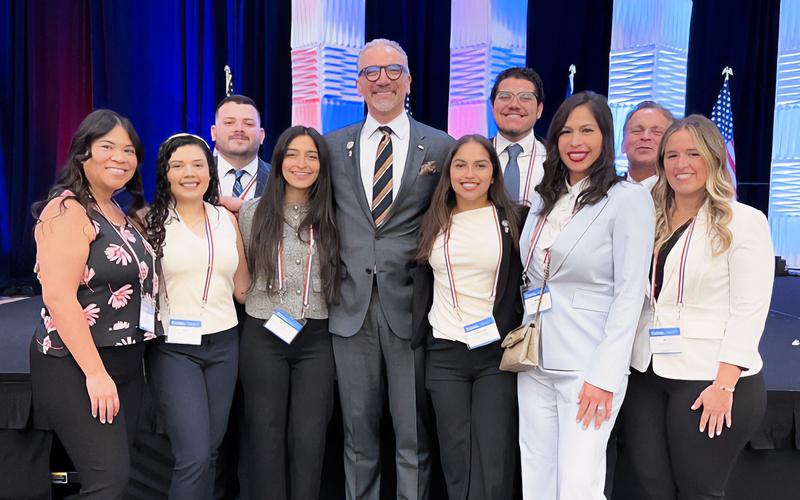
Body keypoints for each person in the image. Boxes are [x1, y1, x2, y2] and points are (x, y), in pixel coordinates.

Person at [324, 38, 455, 500]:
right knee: (357, 434)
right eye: (371, 72)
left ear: (409, 79)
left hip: (411, 308)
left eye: (393, 70)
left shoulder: (441, 146)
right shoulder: (330, 146)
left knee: (412, 433)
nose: (382, 79)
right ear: (358, 83)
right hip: (349, 308)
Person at [620, 114, 773, 500]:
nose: (681, 164)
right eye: (671, 155)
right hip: (647, 371)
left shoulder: (744, 221)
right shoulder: (646, 216)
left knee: (697, 491)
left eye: (692, 153)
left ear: (713, 159)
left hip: (709, 377)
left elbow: (750, 308)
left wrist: (724, 384)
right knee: (650, 487)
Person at [517, 91, 654, 500]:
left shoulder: (628, 198)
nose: (576, 142)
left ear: (605, 138)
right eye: (567, 132)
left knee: (579, 483)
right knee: (537, 475)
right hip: (534, 356)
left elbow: (631, 294)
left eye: (587, 131)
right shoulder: (546, 199)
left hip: (587, 364)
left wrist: (605, 375)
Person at [29, 109, 156, 499]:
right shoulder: (67, 210)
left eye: (129, 150)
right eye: (107, 147)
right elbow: (59, 297)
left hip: (126, 362)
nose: (120, 157)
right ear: (83, 153)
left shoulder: (120, 212)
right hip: (76, 363)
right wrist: (96, 374)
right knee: (108, 479)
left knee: (117, 475)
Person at [411, 135, 524, 500]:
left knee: (492, 456)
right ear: (449, 172)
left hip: (495, 353)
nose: (469, 173)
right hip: (444, 351)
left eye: (480, 165)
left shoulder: (513, 218)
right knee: (455, 457)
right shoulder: (433, 219)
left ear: (494, 174)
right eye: (460, 165)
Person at [236, 126, 339, 500]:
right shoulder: (251, 213)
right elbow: (242, 270)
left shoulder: (334, 215)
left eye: (311, 156)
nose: (302, 163)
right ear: (278, 161)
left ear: (322, 165)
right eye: (293, 154)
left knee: (310, 437)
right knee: (265, 434)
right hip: (264, 333)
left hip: (317, 337)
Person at [143, 133, 248, 500]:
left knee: (211, 455)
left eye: (198, 164)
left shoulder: (225, 219)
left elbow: (243, 288)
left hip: (225, 344)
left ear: (210, 171)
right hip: (174, 348)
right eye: (178, 165)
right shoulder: (149, 222)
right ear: (165, 173)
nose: (189, 173)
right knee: (194, 456)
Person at [490, 67, 546, 205]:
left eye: (525, 97)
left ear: (539, 109)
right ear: (492, 106)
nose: (514, 104)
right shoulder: (474, 155)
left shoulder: (555, 159)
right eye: (504, 97)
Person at [211, 94, 271, 216]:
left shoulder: (279, 178)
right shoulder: (196, 176)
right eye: (229, 122)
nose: (239, 129)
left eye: (248, 124)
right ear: (214, 133)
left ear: (262, 136)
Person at [621, 100, 674, 190]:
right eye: (636, 131)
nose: (645, 137)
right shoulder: (605, 192)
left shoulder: (680, 195)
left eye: (657, 132)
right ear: (623, 144)